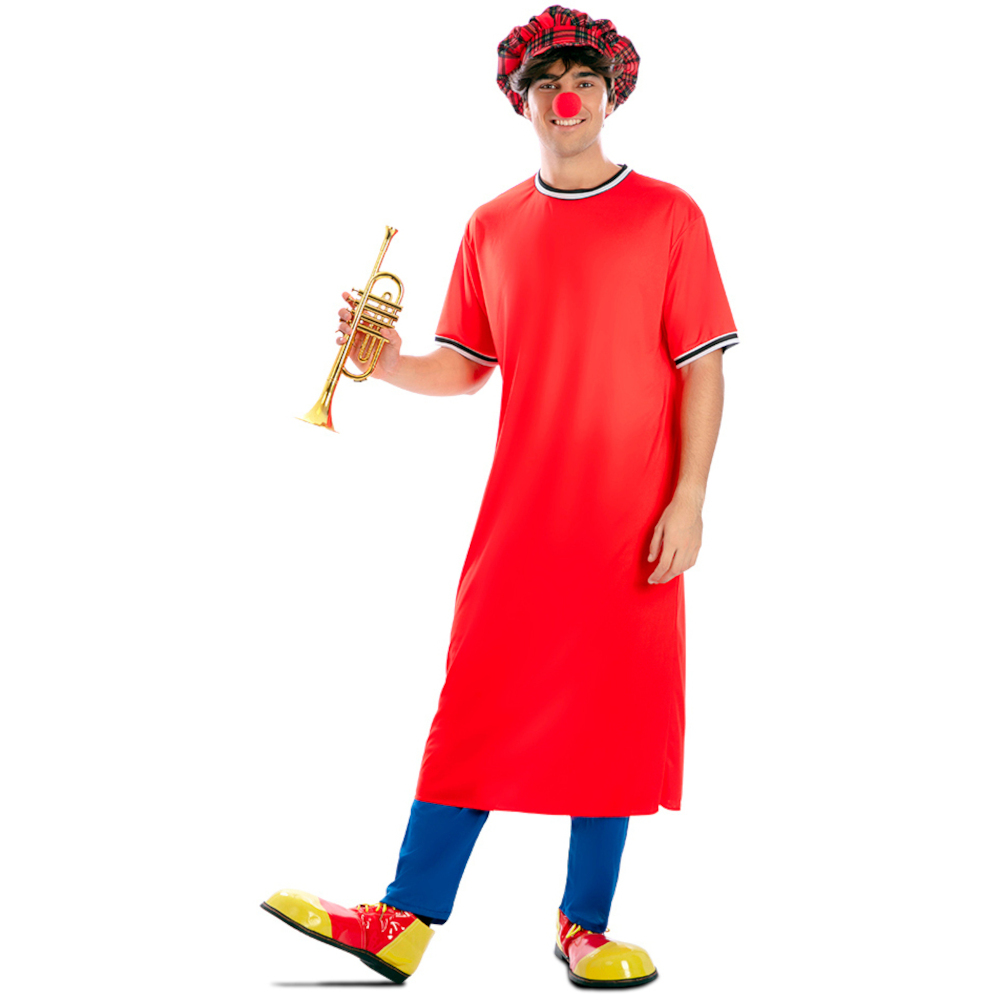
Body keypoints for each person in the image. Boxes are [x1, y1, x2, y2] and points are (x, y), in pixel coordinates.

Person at [262, 4, 738, 988]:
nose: (566, 100)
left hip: (633, 519)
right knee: (476, 704)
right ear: (522, 104)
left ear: (610, 97)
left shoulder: (671, 216)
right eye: (546, 86)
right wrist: (389, 363)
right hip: (521, 517)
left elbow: (703, 367)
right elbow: (466, 367)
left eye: (584, 84)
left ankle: (584, 926)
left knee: (611, 714)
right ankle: (403, 917)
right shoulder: (490, 226)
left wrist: (689, 499)